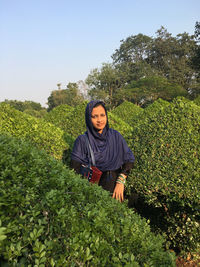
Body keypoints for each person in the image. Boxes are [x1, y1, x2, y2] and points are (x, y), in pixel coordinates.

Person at [70, 100, 135, 202]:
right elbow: (75, 169)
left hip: (115, 190)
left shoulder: (115, 136)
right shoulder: (82, 140)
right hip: (92, 192)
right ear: (88, 118)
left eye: (102, 115)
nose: (99, 120)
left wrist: (120, 181)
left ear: (106, 116)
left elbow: (129, 160)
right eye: (94, 116)